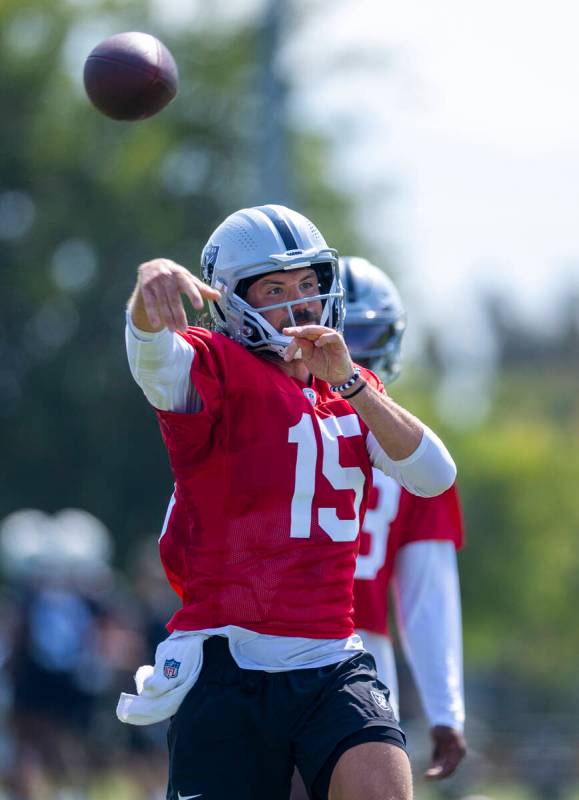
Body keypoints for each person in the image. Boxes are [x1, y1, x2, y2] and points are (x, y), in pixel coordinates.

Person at [119, 204, 457, 800]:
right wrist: (149, 291)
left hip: (332, 658)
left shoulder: (354, 389)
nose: (300, 304)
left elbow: (434, 473)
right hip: (228, 665)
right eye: (275, 289)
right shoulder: (216, 366)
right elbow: (152, 357)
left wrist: (351, 381)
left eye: (307, 284)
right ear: (233, 300)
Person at [341, 256, 467, 779]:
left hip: (265, 651)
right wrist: (446, 709)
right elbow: (426, 596)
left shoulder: (263, 421)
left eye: (366, 335)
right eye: (348, 335)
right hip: (363, 664)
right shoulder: (413, 447)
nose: (356, 351)